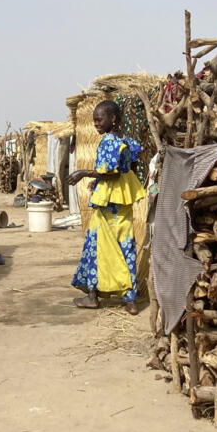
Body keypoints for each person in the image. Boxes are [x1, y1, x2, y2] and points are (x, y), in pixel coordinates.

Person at [67, 100, 146, 315]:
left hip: (108, 204)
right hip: (123, 200)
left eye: (99, 119)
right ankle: (130, 300)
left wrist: (83, 173)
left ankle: (93, 297)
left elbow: (110, 172)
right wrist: (101, 181)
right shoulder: (126, 140)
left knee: (96, 247)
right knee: (125, 247)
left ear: (113, 118)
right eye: (94, 121)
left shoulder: (109, 141)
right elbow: (129, 166)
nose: (96, 124)